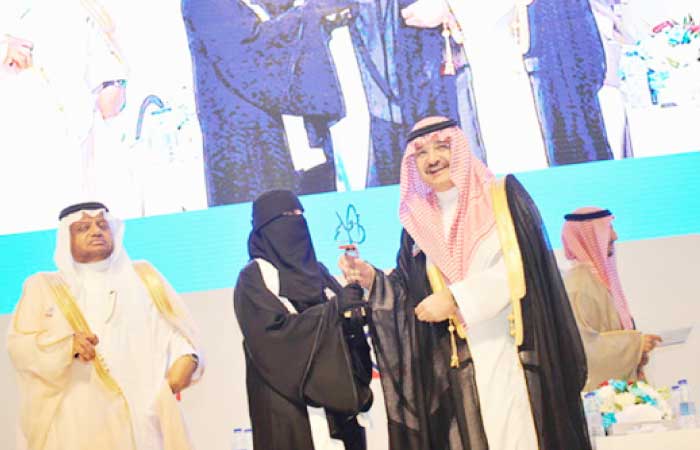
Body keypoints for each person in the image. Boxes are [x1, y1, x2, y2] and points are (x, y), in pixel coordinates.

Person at [340, 117, 591, 449]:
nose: (432, 160)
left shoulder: (502, 198)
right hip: (459, 365)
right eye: (422, 153)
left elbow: (525, 268)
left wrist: (457, 298)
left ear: (458, 147)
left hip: (511, 350)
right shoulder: (418, 223)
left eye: (441, 147)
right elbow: (409, 292)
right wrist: (372, 278)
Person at [6, 202, 203, 450]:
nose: (96, 231)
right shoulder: (43, 286)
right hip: (78, 418)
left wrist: (187, 358)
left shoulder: (144, 277)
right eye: (83, 228)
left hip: (144, 413)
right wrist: (65, 346)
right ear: (66, 237)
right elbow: (20, 348)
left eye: (102, 225)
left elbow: (174, 331)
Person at [234, 190, 373, 450]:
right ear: (265, 228)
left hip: (340, 410)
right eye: (285, 217)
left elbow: (343, 319)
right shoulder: (254, 278)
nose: (295, 223)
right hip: (290, 414)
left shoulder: (318, 272)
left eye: (300, 215)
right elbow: (271, 339)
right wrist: (332, 311)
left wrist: (355, 308)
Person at [0, 0, 127, 234]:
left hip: (74, 150)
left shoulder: (73, 10)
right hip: (16, 161)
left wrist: (112, 81)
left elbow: (107, 78)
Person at [561, 207, 662, 390]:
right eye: (607, 230)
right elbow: (582, 348)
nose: (615, 236)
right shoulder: (578, 286)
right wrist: (636, 345)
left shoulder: (596, 281)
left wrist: (637, 354)